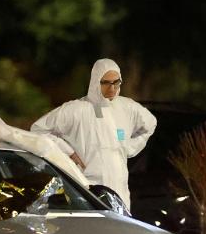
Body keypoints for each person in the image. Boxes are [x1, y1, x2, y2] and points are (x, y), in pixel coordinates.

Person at [30, 58, 156, 209]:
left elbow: (150, 124)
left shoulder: (127, 108)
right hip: (87, 194)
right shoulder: (77, 110)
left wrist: (129, 147)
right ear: (96, 81)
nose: (112, 88)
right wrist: (67, 151)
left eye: (116, 82)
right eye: (106, 82)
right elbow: (38, 129)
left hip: (120, 195)